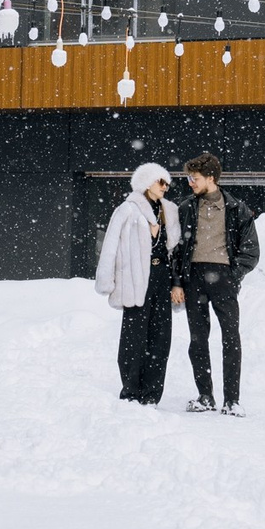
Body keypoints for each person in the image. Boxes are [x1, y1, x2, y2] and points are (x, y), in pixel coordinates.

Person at [174, 153, 260, 413]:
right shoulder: (186, 208)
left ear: (210, 178)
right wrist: (178, 282)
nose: (190, 182)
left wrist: (233, 276)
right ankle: (205, 397)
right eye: (190, 178)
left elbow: (251, 251)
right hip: (193, 279)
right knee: (198, 340)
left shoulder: (237, 208)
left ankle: (232, 400)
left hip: (224, 279)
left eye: (195, 178)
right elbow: (176, 250)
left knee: (231, 339)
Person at [92, 161, 180, 405]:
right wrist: (106, 280)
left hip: (161, 278)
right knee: (133, 338)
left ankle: (152, 393)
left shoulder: (169, 211)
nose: (166, 186)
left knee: (161, 338)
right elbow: (109, 247)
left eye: (167, 182)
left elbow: (175, 251)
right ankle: (131, 390)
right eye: (161, 181)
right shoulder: (127, 210)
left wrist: (176, 283)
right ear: (147, 182)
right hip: (135, 280)